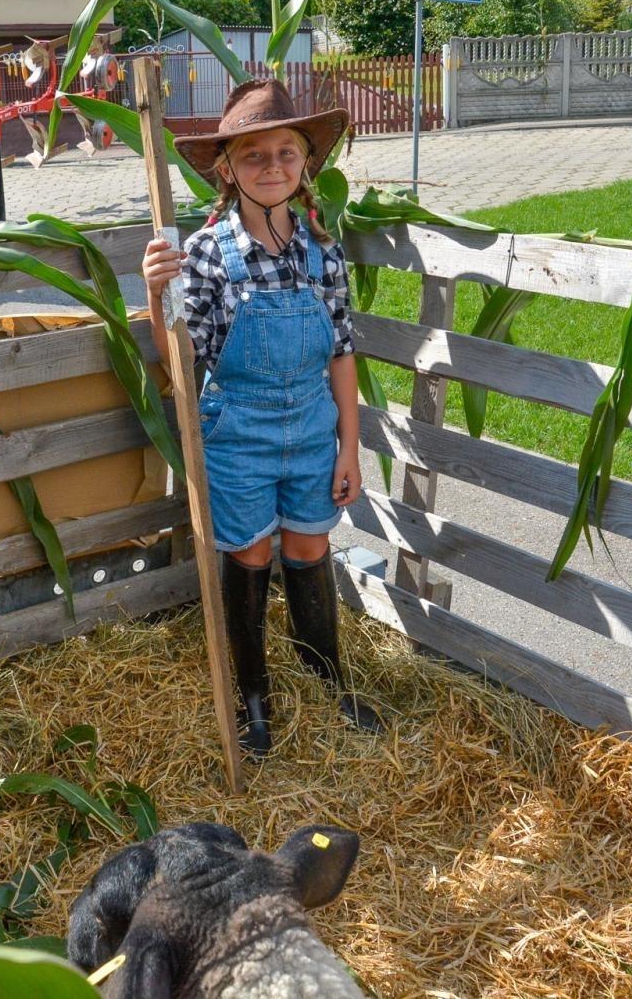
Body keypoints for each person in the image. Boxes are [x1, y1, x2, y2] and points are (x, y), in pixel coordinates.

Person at [141, 78, 383, 757]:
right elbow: (182, 362)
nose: (271, 166)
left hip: (312, 430)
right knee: (248, 552)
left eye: (286, 153)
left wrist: (349, 446)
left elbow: (341, 353)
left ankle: (326, 678)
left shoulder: (323, 253)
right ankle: (254, 701)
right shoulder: (205, 255)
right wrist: (157, 293)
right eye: (253, 155)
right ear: (226, 169)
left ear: (306, 164)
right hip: (237, 433)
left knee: (309, 547)